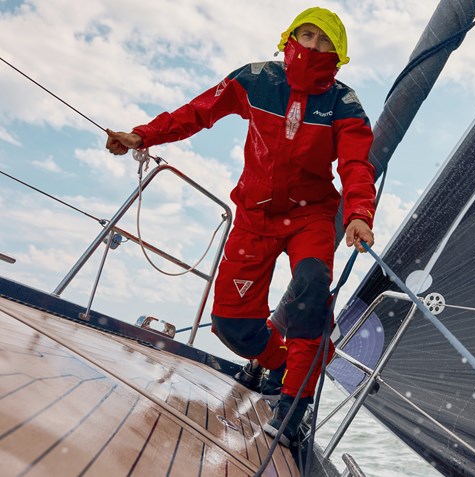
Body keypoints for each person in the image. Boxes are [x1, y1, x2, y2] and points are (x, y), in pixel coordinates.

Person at [105, 6, 376, 446]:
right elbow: (198, 111)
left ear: (338, 54)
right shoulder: (256, 79)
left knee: (311, 284)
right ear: (290, 38)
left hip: (310, 216)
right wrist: (144, 135)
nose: (313, 46)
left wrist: (360, 212)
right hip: (254, 215)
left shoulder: (343, 104)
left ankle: (294, 403)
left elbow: (356, 163)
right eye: (306, 35)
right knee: (232, 325)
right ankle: (283, 361)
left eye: (325, 41)